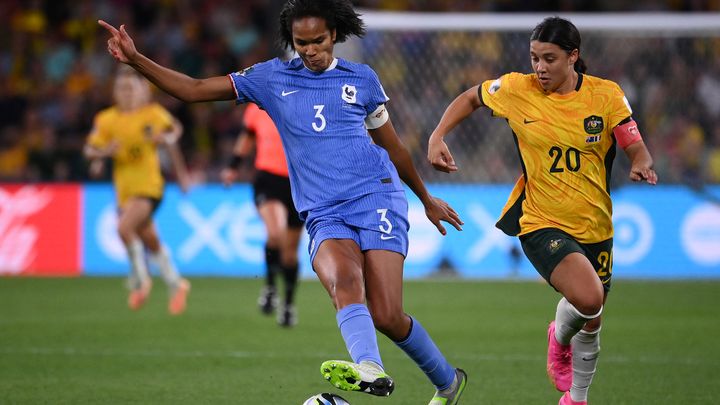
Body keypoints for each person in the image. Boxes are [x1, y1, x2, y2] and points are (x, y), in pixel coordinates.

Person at [99, 1, 467, 403]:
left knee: (387, 316)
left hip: (376, 195)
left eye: (318, 41)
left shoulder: (361, 79)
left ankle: (448, 383)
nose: (310, 50)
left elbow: (393, 147)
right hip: (323, 210)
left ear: (335, 36)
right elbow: (194, 89)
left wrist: (426, 198)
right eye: (301, 42)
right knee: (343, 281)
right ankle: (370, 368)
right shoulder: (270, 77)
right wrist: (136, 60)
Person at [428, 17, 657, 405]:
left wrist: (640, 161)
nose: (540, 67)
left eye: (549, 59)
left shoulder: (606, 95)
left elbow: (632, 141)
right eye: (534, 58)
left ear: (573, 57)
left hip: (595, 223)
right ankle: (563, 352)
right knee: (589, 298)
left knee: (592, 315)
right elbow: (471, 97)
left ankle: (575, 396)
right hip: (539, 220)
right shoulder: (517, 89)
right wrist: (437, 135)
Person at [84, 66, 191, 315]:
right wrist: (102, 154)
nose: (127, 93)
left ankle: (141, 280)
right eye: (122, 88)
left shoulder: (152, 114)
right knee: (150, 239)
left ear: (140, 91)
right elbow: (90, 149)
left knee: (123, 228)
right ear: (115, 93)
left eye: (131, 88)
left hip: (150, 186)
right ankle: (177, 283)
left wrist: (173, 151)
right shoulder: (106, 120)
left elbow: (175, 129)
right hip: (124, 189)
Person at [221, 103, 304, 328]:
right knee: (275, 233)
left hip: (300, 183)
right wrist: (233, 166)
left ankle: (288, 304)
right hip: (267, 179)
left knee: (289, 254)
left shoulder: (305, 103)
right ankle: (269, 287)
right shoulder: (257, 106)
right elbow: (247, 136)